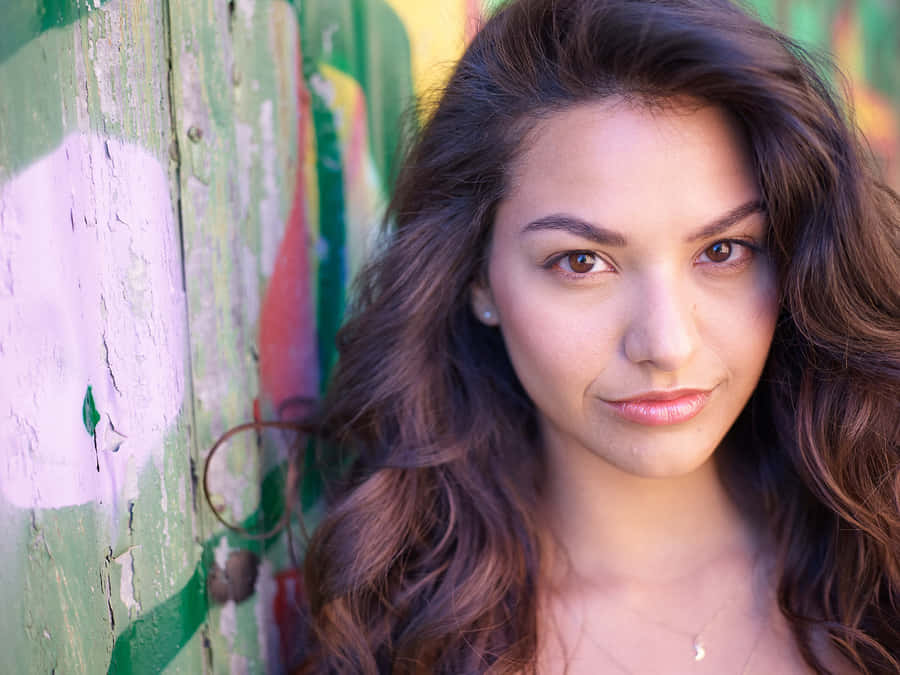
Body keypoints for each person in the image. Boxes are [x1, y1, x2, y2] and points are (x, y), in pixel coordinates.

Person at [288, 0, 900, 672]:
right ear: (478, 279)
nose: (665, 343)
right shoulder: (406, 638)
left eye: (723, 251)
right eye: (581, 262)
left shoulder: (881, 564)